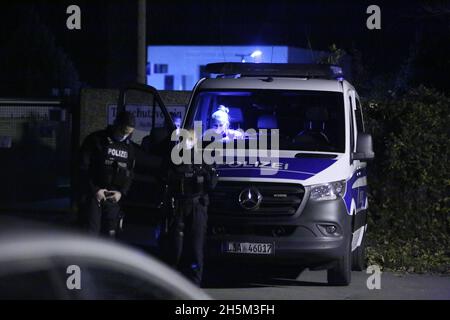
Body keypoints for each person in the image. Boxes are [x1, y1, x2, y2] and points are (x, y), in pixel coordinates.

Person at [163, 130, 218, 286]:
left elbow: (212, 183)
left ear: (195, 141)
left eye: (190, 139)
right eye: (183, 139)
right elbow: (163, 179)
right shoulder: (173, 158)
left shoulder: (204, 159)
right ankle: (172, 286)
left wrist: (206, 173)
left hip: (197, 206)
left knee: (195, 249)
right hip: (178, 206)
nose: (186, 142)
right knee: (175, 249)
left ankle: (193, 286)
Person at [78, 111, 136, 237]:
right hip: (94, 196)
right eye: (123, 131)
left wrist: (121, 193)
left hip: (113, 197)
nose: (124, 135)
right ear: (116, 124)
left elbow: (130, 173)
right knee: (91, 235)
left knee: (109, 235)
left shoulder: (129, 148)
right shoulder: (96, 140)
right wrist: (95, 190)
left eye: (128, 133)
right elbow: (82, 168)